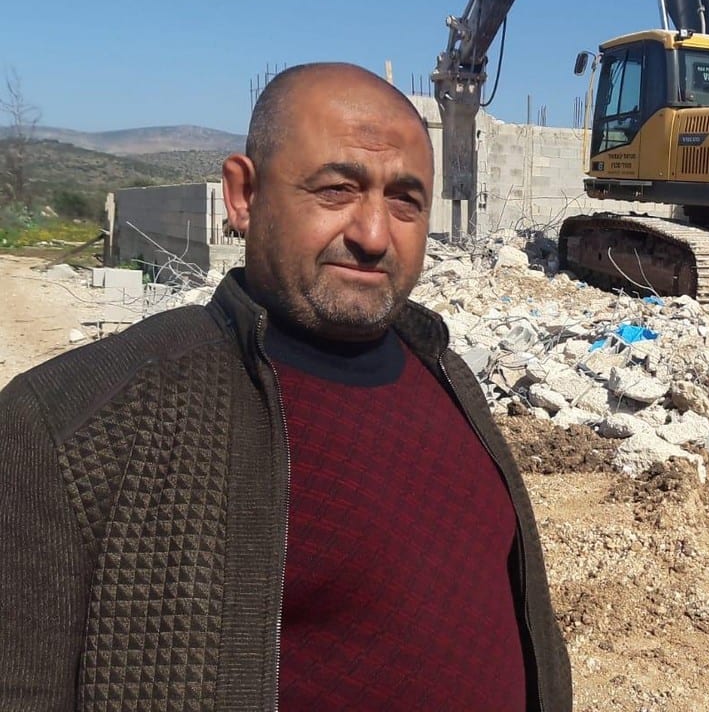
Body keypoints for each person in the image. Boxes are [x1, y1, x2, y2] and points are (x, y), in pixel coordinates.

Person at [0, 62, 572, 710]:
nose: (373, 234)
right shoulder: (71, 427)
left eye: (405, 200)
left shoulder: (449, 379)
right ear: (244, 195)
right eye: (336, 191)